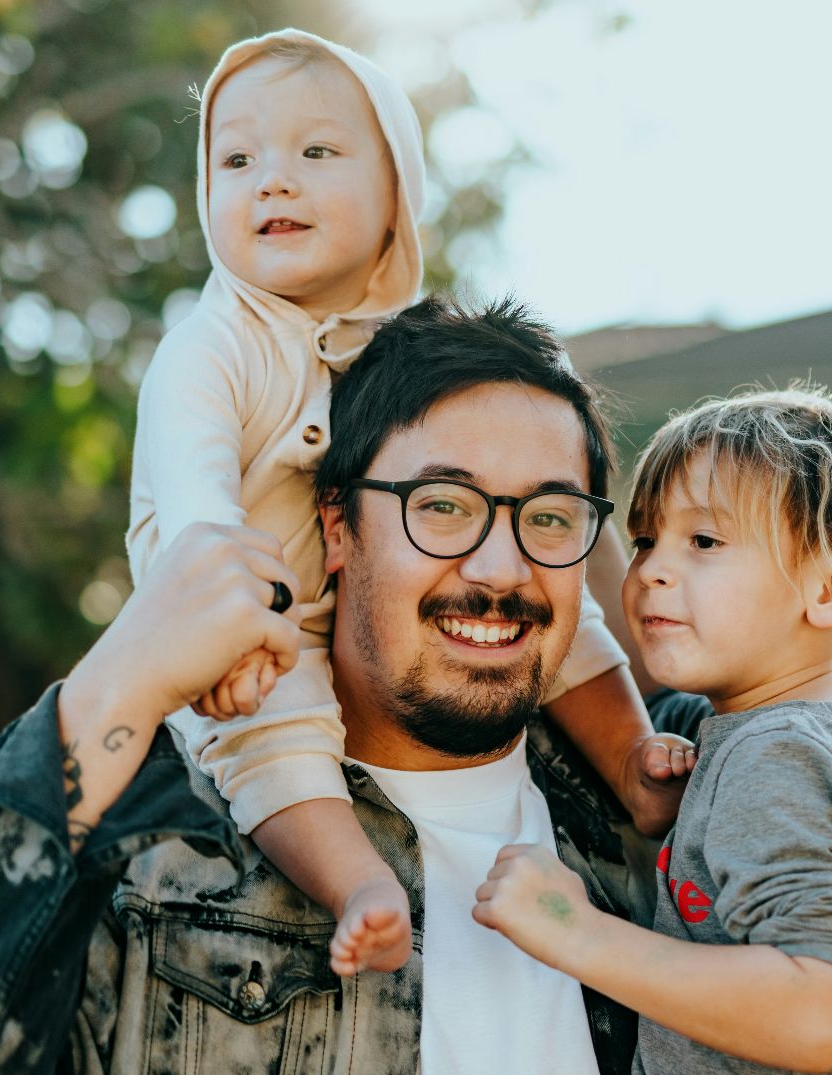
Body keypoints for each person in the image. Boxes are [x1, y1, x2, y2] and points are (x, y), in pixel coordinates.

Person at [0, 296, 675, 1075]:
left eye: (550, 517)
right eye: (443, 506)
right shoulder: (158, 851)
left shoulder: (674, 829)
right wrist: (120, 676)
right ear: (336, 526)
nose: (501, 568)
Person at [126, 28, 688, 979]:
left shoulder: (410, 353)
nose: (273, 180)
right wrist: (230, 635)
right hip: (245, 630)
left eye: (316, 153)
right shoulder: (211, 346)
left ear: (398, 196)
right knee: (275, 742)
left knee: (564, 611)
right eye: (236, 159)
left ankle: (634, 763)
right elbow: (196, 515)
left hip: (325, 610)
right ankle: (359, 885)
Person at [474, 387, 832, 1075]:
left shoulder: (777, 759)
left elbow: (815, 1015)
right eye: (645, 540)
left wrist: (572, 931)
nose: (651, 571)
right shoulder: (767, 741)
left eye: (704, 540)